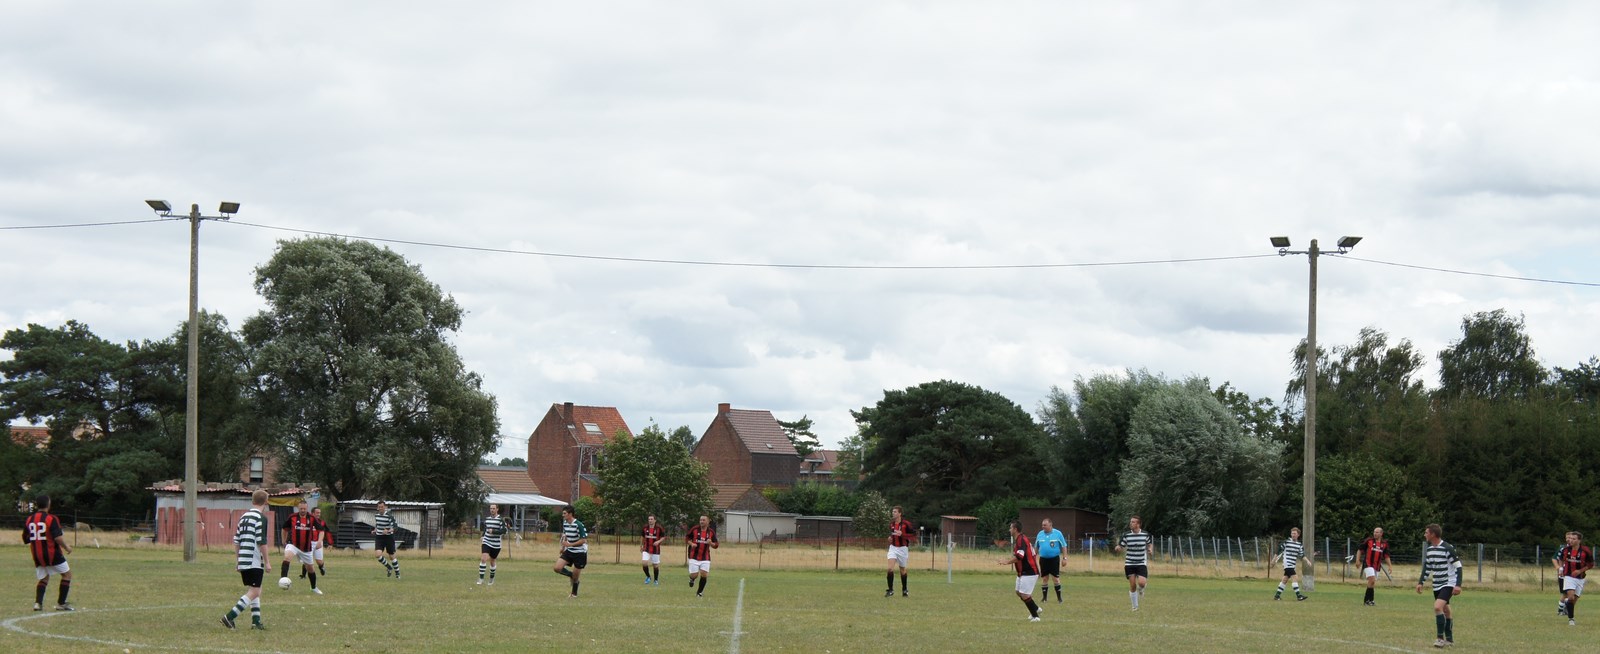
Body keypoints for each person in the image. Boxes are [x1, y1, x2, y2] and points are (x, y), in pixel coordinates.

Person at [221, 489, 270, 630]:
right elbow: (262, 542)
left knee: (255, 589)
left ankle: (256, 622)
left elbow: (236, 541)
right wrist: (267, 562)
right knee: (254, 591)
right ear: (266, 502)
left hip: (243, 559)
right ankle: (229, 617)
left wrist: (238, 560)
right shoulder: (261, 518)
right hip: (254, 560)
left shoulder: (243, 517)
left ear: (252, 501)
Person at [23, 494, 74, 612]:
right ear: (48, 504)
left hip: (37, 554)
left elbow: (26, 538)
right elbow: (57, 538)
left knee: (44, 578)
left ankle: (38, 603)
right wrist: (67, 547)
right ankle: (61, 604)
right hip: (52, 553)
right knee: (67, 575)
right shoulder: (51, 518)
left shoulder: (29, 519)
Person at [1415, 523, 1463, 648]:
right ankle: (1450, 640)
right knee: (1445, 610)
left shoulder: (1447, 548)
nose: (1425, 535)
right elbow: (1427, 567)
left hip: (1448, 583)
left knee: (1437, 607)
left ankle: (1440, 639)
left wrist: (1458, 585)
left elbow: (1458, 566)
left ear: (1433, 534)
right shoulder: (1430, 549)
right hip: (1437, 584)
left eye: (1426, 533)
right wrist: (1421, 582)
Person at [997, 521, 1043, 622]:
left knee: (1024, 594)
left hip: (1029, 571)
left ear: (1015, 529)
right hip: (1022, 572)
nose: (1009, 530)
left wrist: (1006, 562)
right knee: (1018, 592)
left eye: (1010, 528)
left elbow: (1019, 556)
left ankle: (1036, 616)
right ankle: (1035, 608)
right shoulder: (1019, 539)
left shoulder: (1021, 540)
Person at [280, 500, 322, 595]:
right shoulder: (292, 517)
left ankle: (313, 587)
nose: (302, 510)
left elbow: (321, 530)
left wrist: (319, 541)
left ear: (307, 508)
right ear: (298, 508)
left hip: (306, 548)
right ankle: (283, 580)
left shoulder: (312, 518)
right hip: (293, 544)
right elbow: (284, 529)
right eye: (301, 508)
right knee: (287, 557)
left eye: (304, 509)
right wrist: (283, 541)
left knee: (310, 569)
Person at [1114, 515, 1154, 611]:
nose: (1130, 523)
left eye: (1133, 522)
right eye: (1130, 522)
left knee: (1142, 583)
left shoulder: (1145, 534)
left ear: (1138, 524)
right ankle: (1135, 607)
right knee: (1132, 585)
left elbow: (1149, 544)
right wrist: (1118, 548)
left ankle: (1141, 589)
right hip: (1129, 563)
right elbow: (1121, 546)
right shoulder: (1126, 535)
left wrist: (1150, 549)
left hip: (1141, 562)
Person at [1557, 531, 1594, 627]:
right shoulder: (1565, 549)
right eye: (1570, 538)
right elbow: (1560, 558)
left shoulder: (1585, 551)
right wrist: (1561, 568)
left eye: (1574, 539)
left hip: (1580, 578)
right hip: (1568, 576)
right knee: (1570, 597)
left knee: (1573, 600)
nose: (1571, 540)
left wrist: (1580, 571)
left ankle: (1567, 605)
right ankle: (1571, 619)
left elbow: (1591, 564)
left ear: (1579, 540)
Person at [553, 505, 588, 598]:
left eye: (564, 513)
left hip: (580, 552)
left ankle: (574, 594)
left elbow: (583, 540)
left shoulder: (579, 525)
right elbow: (565, 536)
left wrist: (570, 545)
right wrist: (563, 547)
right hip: (570, 551)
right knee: (557, 568)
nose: (563, 515)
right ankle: (571, 575)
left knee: (576, 577)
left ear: (570, 514)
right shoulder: (565, 523)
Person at [1353, 527, 1391, 606]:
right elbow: (1359, 550)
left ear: (1381, 534)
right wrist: (1357, 560)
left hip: (1377, 566)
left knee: (1372, 583)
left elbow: (1386, 556)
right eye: (1374, 532)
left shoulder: (1384, 544)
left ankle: (1371, 600)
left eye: (1377, 532)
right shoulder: (1369, 541)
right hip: (1368, 564)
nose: (1375, 534)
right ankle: (1366, 600)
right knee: (1372, 580)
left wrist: (1390, 566)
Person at [1034, 518, 1067, 604]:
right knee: (1044, 578)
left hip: (1054, 559)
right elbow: (1036, 547)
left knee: (1055, 579)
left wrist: (1065, 558)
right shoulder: (1040, 534)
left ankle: (1059, 598)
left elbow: (1064, 546)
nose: (1043, 526)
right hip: (1043, 559)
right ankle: (1044, 598)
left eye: (1045, 525)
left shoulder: (1058, 533)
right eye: (1042, 525)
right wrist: (1033, 557)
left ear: (1050, 525)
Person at [686, 514, 719, 597]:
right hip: (694, 556)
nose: (701, 521)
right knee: (694, 575)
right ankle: (692, 579)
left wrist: (711, 543)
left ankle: (699, 592)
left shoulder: (711, 532)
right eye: (701, 520)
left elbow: (716, 545)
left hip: (705, 557)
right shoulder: (694, 529)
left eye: (704, 520)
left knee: (704, 574)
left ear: (708, 521)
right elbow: (687, 538)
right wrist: (691, 544)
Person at [885, 506, 914, 597]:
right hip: (893, 548)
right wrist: (890, 538)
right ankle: (890, 590)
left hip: (903, 549)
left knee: (902, 570)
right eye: (892, 511)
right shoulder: (891, 524)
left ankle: (904, 589)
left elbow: (913, 535)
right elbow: (892, 534)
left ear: (900, 513)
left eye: (895, 512)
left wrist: (903, 534)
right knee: (890, 569)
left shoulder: (906, 524)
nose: (893, 513)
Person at [1273, 527, 1308, 601]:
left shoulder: (1299, 545)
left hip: (1292, 564)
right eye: (1292, 533)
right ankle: (1299, 596)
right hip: (1287, 564)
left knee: (1285, 579)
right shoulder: (1287, 542)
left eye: (1295, 533)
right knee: (1295, 577)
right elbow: (1279, 550)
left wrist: (1308, 561)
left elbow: (1302, 555)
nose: (1293, 535)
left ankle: (1277, 596)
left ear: (1298, 535)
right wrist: (1274, 559)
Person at [478, 504, 508, 586]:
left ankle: (491, 578)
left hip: (496, 544)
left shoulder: (500, 520)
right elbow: (486, 529)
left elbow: (504, 531)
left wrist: (493, 531)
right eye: (491, 508)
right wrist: (483, 536)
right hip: (486, 541)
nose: (492, 510)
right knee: (483, 558)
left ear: (497, 509)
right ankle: (481, 579)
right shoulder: (487, 519)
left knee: (492, 561)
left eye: (494, 508)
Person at [372, 500, 400, 579]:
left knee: (392, 557)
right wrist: (375, 530)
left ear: (385, 507)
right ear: (377, 508)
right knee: (377, 555)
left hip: (388, 537)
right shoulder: (376, 515)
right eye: (379, 507)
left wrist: (388, 531)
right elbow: (377, 525)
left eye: (382, 507)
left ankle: (397, 574)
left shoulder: (389, 516)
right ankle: (389, 567)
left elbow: (395, 528)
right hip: (379, 537)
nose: (381, 508)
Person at [302, 506, 331, 578]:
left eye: (319, 513)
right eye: (317, 513)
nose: (318, 514)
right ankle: (303, 575)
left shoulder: (322, 523)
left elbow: (327, 532)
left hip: (318, 542)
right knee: (307, 559)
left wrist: (330, 543)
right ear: (312, 513)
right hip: (308, 543)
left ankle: (322, 568)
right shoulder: (307, 521)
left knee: (319, 561)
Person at [641, 514, 665, 585]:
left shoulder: (659, 528)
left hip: (655, 550)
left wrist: (658, 541)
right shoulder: (645, 528)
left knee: (655, 565)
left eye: (651, 519)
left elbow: (663, 537)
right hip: (646, 548)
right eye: (649, 519)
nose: (650, 520)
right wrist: (641, 546)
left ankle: (656, 580)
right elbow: (642, 537)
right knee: (644, 563)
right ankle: (648, 577)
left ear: (655, 520)